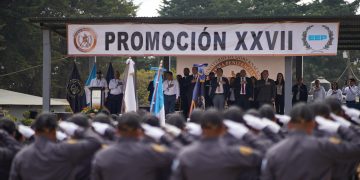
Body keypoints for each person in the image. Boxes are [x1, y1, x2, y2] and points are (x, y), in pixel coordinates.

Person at [261, 103, 360, 180]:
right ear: (313, 124)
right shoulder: (323, 145)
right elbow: (357, 147)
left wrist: (277, 130)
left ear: (289, 124)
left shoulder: (273, 152)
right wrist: (342, 126)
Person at [170, 109, 263, 180]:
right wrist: (246, 133)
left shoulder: (185, 154)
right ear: (222, 127)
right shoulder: (233, 152)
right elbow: (263, 154)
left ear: (201, 128)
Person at [9, 113, 102, 180]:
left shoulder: (21, 155)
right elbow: (95, 142)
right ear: (54, 132)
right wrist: (76, 130)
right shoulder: (64, 149)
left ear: (35, 131)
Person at [91, 112, 176, 180]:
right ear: (139, 131)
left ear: (117, 131)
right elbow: (178, 155)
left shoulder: (102, 155)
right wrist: (164, 137)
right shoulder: (153, 153)